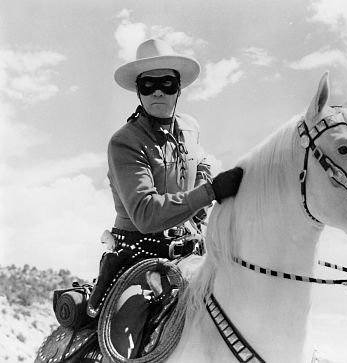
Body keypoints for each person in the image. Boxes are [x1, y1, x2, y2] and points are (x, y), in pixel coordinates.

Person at [86, 38, 243, 318]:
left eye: (167, 84)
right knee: (129, 333)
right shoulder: (125, 142)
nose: (158, 92)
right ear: (138, 91)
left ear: (178, 88)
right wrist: (210, 191)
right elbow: (146, 214)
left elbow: (198, 182)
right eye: (149, 85)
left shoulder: (191, 128)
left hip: (190, 252)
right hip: (137, 257)